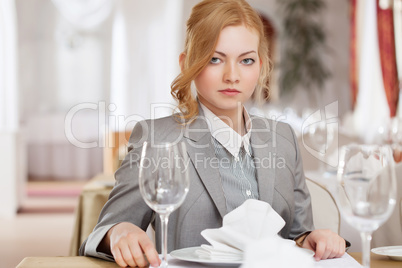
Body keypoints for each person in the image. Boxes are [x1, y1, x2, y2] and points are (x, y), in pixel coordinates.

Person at [80, 0, 347, 267]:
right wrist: (118, 232)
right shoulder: (157, 138)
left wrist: (310, 238)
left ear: (261, 66)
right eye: (215, 59)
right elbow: (103, 232)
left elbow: (297, 234)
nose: (232, 75)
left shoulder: (284, 138)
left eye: (246, 60)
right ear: (187, 63)